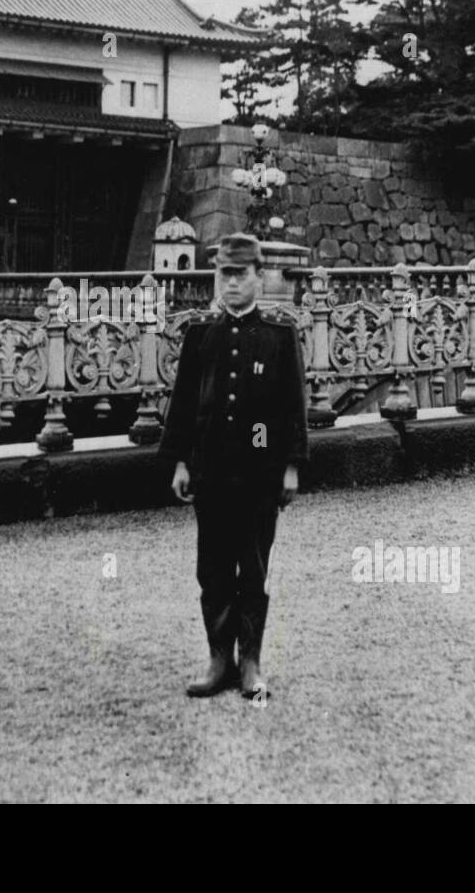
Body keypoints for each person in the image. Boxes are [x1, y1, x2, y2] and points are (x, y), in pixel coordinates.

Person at [158, 233, 308, 701]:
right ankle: (218, 657)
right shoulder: (202, 336)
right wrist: (181, 461)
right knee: (213, 570)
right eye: (225, 274)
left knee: (253, 570)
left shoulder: (280, 338)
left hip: (260, 478)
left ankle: (251, 663)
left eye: (241, 275)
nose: (232, 284)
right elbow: (183, 405)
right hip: (211, 474)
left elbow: (292, 410)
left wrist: (291, 467)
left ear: (259, 278)